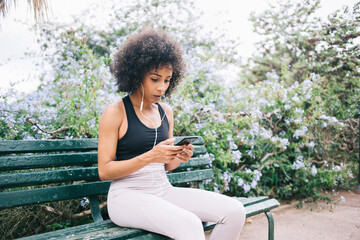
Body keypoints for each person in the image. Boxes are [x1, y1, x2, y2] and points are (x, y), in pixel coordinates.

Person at [97, 26, 246, 240]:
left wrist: (179, 157)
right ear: (137, 75)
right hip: (127, 197)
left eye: (167, 80)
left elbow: (167, 166)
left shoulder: (166, 112)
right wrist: (150, 156)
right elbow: (104, 171)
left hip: (163, 191)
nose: (162, 88)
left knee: (234, 211)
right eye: (155, 79)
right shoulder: (116, 112)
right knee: (190, 224)